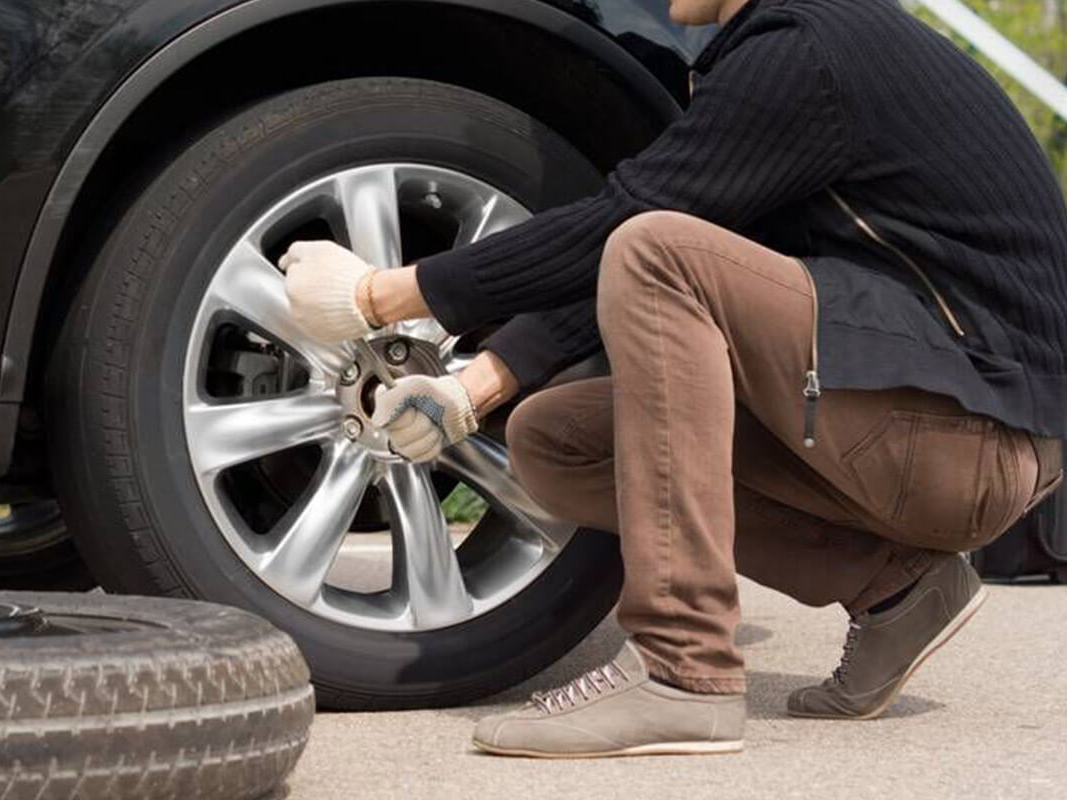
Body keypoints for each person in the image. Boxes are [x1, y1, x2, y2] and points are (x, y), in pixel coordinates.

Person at [280, 0, 1067, 759]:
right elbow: (682, 221)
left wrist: (378, 295)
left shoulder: (808, 51)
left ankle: (681, 668)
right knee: (555, 441)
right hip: (931, 418)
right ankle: (895, 591)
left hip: (972, 436)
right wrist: (474, 390)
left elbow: (631, 228)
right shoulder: (795, 50)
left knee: (655, 249)